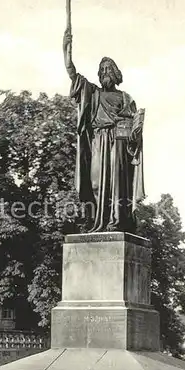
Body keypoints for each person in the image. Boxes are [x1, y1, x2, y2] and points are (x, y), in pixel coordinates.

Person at [63, 28, 145, 233]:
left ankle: (116, 222)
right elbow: (72, 72)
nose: (106, 72)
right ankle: (99, 221)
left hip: (118, 145)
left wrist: (135, 133)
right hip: (99, 141)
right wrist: (66, 49)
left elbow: (134, 131)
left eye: (110, 69)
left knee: (117, 185)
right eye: (103, 69)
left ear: (116, 74)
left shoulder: (126, 98)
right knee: (96, 182)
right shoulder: (93, 92)